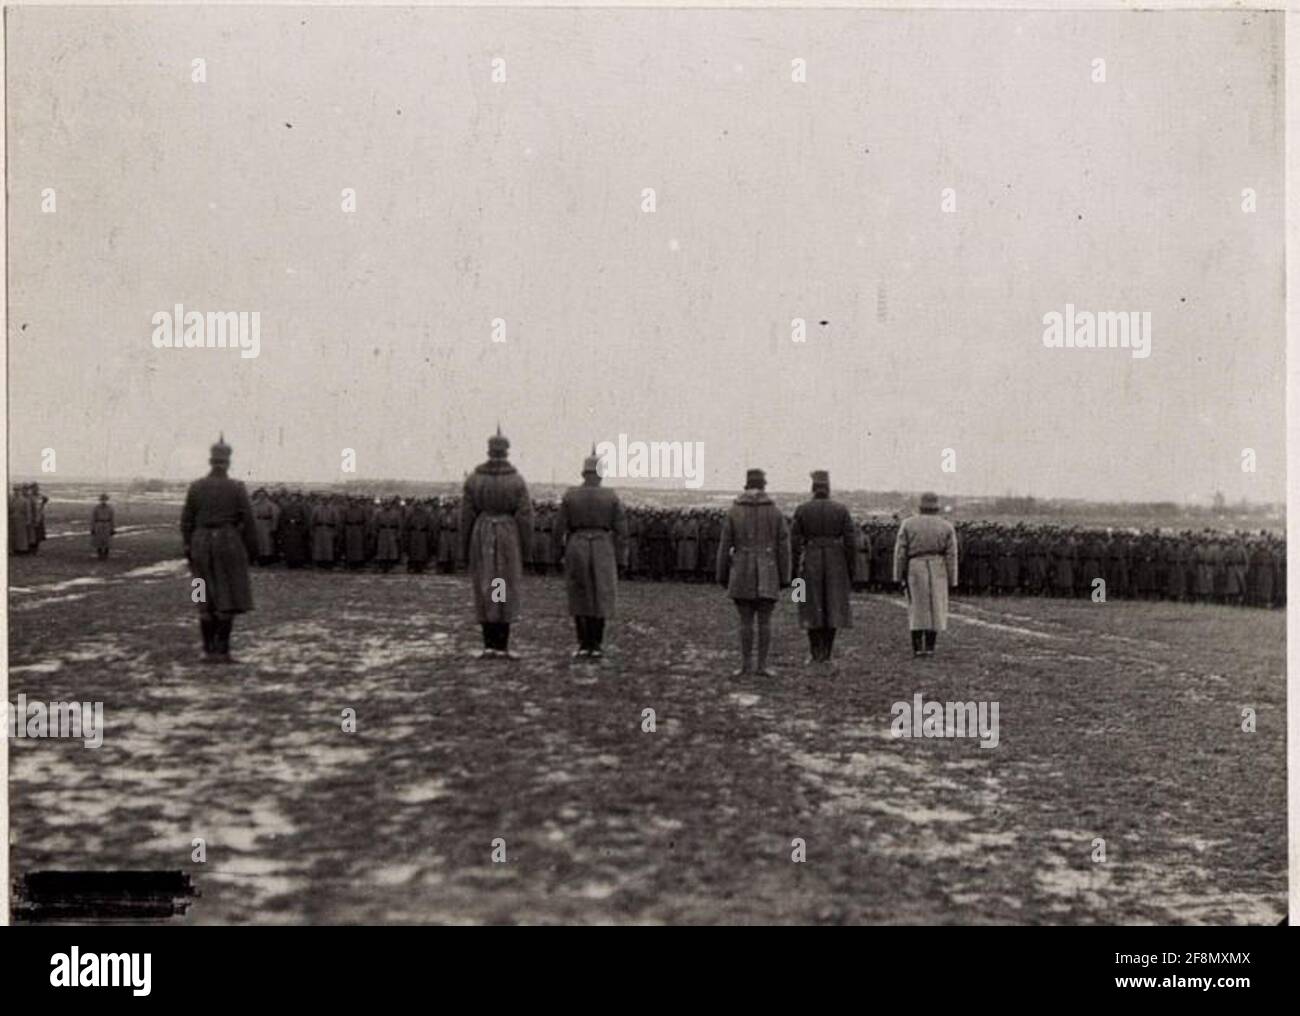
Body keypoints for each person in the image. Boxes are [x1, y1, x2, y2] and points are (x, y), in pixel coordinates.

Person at [180, 434, 257, 660]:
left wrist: (188, 546)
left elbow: (186, 520)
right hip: (228, 544)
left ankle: (207, 650)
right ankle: (222, 650)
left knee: (201, 594)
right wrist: (252, 551)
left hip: (200, 544)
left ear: (210, 461)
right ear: (228, 462)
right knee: (228, 595)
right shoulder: (236, 487)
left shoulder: (196, 487)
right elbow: (249, 522)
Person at [461, 427, 533, 658]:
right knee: (502, 583)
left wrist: (465, 549)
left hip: (482, 534)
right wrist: (525, 548)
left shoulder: (474, 479)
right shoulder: (516, 480)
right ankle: (501, 644)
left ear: (489, 450)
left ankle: (489, 643)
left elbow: (466, 517)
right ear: (507, 452)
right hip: (506, 535)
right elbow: (525, 517)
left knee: (487, 584)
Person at [716, 468, 791, 677]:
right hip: (768, 572)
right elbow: (784, 547)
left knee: (745, 620)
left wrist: (722, 575)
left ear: (746, 485)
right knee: (765, 621)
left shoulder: (734, 511)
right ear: (764, 485)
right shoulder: (775, 512)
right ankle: (762, 666)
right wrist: (785, 577)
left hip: (741, 572)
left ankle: (745, 665)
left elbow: (724, 546)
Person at [554, 449, 627, 659]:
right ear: (600, 474)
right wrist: (622, 558)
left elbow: (559, 528)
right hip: (603, 546)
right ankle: (596, 643)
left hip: (576, 544)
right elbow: (622, 531)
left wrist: (558, 553)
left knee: (579, 593)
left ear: (583, 474)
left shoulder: (570, 495)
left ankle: (583, 643)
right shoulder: (611, 496)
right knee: (601, 594)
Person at [790, 470, 857, 665]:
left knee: (810, 606)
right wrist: (850, 571)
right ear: (828, 488)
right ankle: (827, 653)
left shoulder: (802, 509)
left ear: (813, 488)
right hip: (836, 562)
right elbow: (851, 543)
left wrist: (794, 573)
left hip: (810, 560)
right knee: (833, 606)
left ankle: (813, 652)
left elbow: (794, 545)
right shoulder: (841, 509)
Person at [893, 491, 959, 657]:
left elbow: (900, 552)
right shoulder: (946, 526)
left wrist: (898, 575)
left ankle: (917, 648)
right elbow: (952, 555)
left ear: (920, 506)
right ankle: (929, 647)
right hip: (938, 567)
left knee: (916, 607)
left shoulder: (908, 524)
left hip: (915, 566)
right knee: (935, 607)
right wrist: (952, 579)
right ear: (937, 507)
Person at [91, 493, 116, 559]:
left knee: (107, 541)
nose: (103, 501)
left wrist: (112, 529)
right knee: (98, 540)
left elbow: (112, 519)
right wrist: (93, 528)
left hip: (107, 524)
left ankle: (106, 554)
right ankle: (100, 554)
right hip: (99, 524)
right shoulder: (96, 508)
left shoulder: (110, 508)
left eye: (104, 500)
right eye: (102, 500)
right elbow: (93, 518)